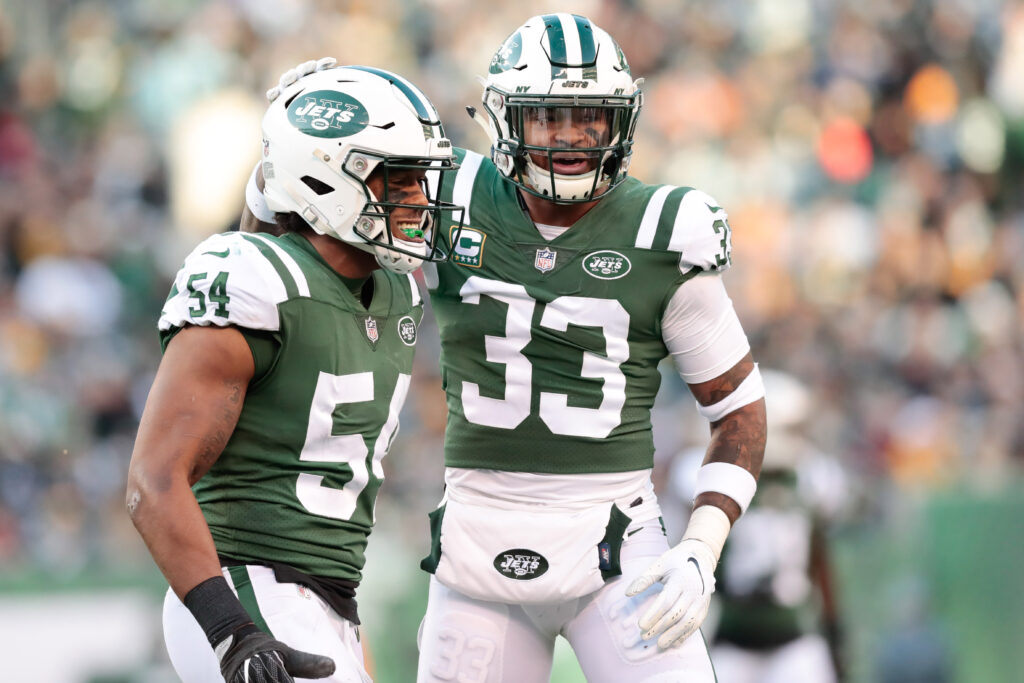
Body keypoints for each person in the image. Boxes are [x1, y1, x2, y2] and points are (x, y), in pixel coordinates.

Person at [245, 14, 767, 682]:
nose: (571, 137)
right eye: (548, 117)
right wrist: (289, 153)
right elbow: (285, 255)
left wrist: (701, 546)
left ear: (621, 122)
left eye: (590, 118)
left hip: (618, 544)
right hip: (478, 543)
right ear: (504, 117)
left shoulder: (666, 231)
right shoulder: (445, 191)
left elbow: (739, 410)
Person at [127, 62, 462, 683]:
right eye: (397, 178)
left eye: (421, 179)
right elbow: (152, 479)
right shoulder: (251, 278)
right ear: (326, 178)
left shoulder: (398, 291)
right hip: (244, 587)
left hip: (330, 597)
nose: (418, 198)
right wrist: (231, 632)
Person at [668, 370, 848, 683]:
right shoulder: (712, 477)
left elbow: (820, 562)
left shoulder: (810, 478)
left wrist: (834, 631)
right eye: (792, 429)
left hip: (793, 640)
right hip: (731, 637)